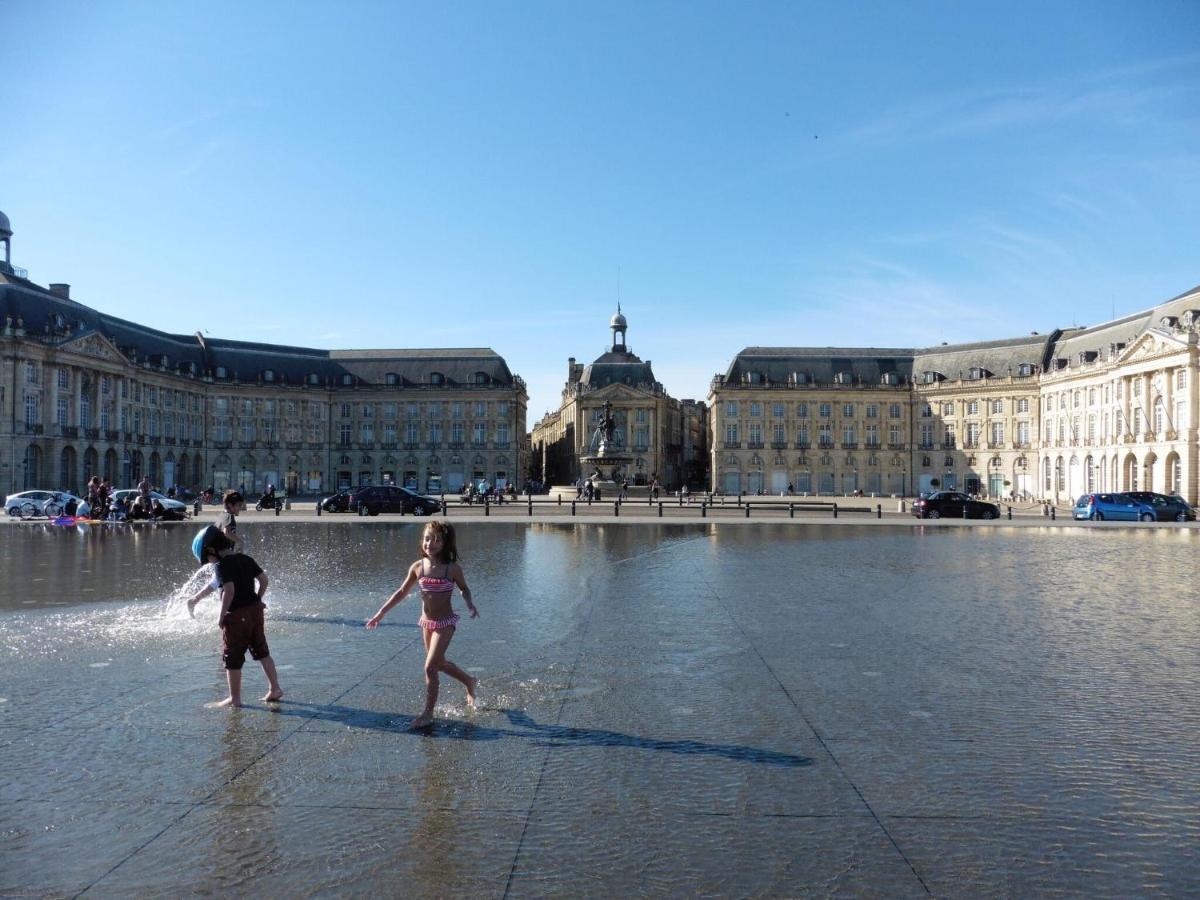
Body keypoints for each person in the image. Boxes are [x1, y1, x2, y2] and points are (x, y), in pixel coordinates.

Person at [365, 520, 479, 729]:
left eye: (436, 540)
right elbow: (401, 593)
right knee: (439, 664)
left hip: (445, 623)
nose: (430, 544)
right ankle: (470, 681)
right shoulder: (418, 567)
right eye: (427, 538)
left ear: (446, 543)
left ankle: (428, 714)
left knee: (429, 667)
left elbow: (464, 589)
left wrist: (469, 603)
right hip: (427, 623)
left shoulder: (452, 569)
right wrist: (380, 614)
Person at [208, 530, 283, 708]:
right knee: (262, 650)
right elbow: (264, 580)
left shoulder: (222, 566)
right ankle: (275, 689)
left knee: (232, 656)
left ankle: (235, 699)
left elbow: (230, 591)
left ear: (213, 550)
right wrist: (258, 599)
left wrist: (221, 616)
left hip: (236, 615)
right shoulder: (246, 559)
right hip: (255, 611)